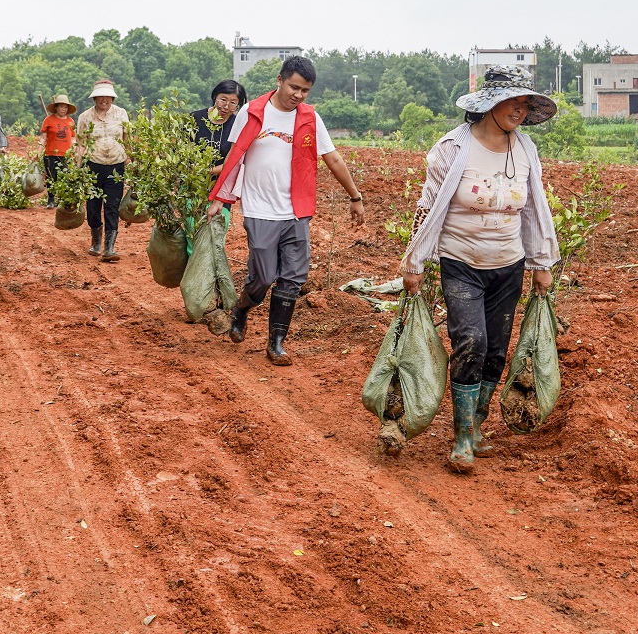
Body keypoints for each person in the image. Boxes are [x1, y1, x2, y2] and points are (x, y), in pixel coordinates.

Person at [399, 66, 559, 475]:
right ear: (490, 102)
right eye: (513, 102)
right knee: (470, 340)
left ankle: (476, 427)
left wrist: (542, 263)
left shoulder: (525, 150)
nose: (520, 111)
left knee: (495, 351)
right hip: (461, 261)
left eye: (525, 103)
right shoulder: (453, 148)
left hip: (508, 265)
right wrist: (414, 262)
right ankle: (460, 437)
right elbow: (427, 206)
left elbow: (536, 208)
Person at [206, 56, 365, 366]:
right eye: (294, 87)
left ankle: (276, 343)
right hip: (260, 208)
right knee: (263, 276)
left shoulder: (309, 119)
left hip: (296, 209)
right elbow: (235, 158)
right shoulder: (253, 113)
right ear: (279, 80)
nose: (299, 95)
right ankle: (241, 309)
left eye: (305, 90)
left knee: (292, 278)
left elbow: (332, 159)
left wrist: (355, 196)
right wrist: (220, 197)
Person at [76, 80, 130, 261]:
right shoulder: (85, 117)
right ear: (95, 98)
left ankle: (109, 248)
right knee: (93, 205)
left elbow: (127, 139)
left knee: (112, 206)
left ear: (112, 98)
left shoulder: (121, 114)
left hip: (116, 165)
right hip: (93, 165)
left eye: (107, 97)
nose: (104, 100)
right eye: (101, 97)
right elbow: (81, 144)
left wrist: (135, 162)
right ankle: (96, 242)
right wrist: (76, 169)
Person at [191, 80, 247, 166]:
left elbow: (233, 162)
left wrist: (207, 171)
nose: (226, 106)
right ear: (215, 97)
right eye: (223, 100)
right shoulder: (195, 118)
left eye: (232, 103)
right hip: (190, 176)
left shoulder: (237, 126)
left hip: (220, 178)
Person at [39, 93, 77, 207]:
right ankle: (51, 199)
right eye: (61, 106)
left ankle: (62, 199)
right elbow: (43, 137)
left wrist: (75, 152)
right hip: (51, 153)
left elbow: (73, 138)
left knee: (65, 177)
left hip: (66, 155)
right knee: (51, 177)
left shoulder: (71, 121)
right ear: (56, 107)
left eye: (65, 107)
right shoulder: (48, 120)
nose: (63, 109)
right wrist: (38, 151)